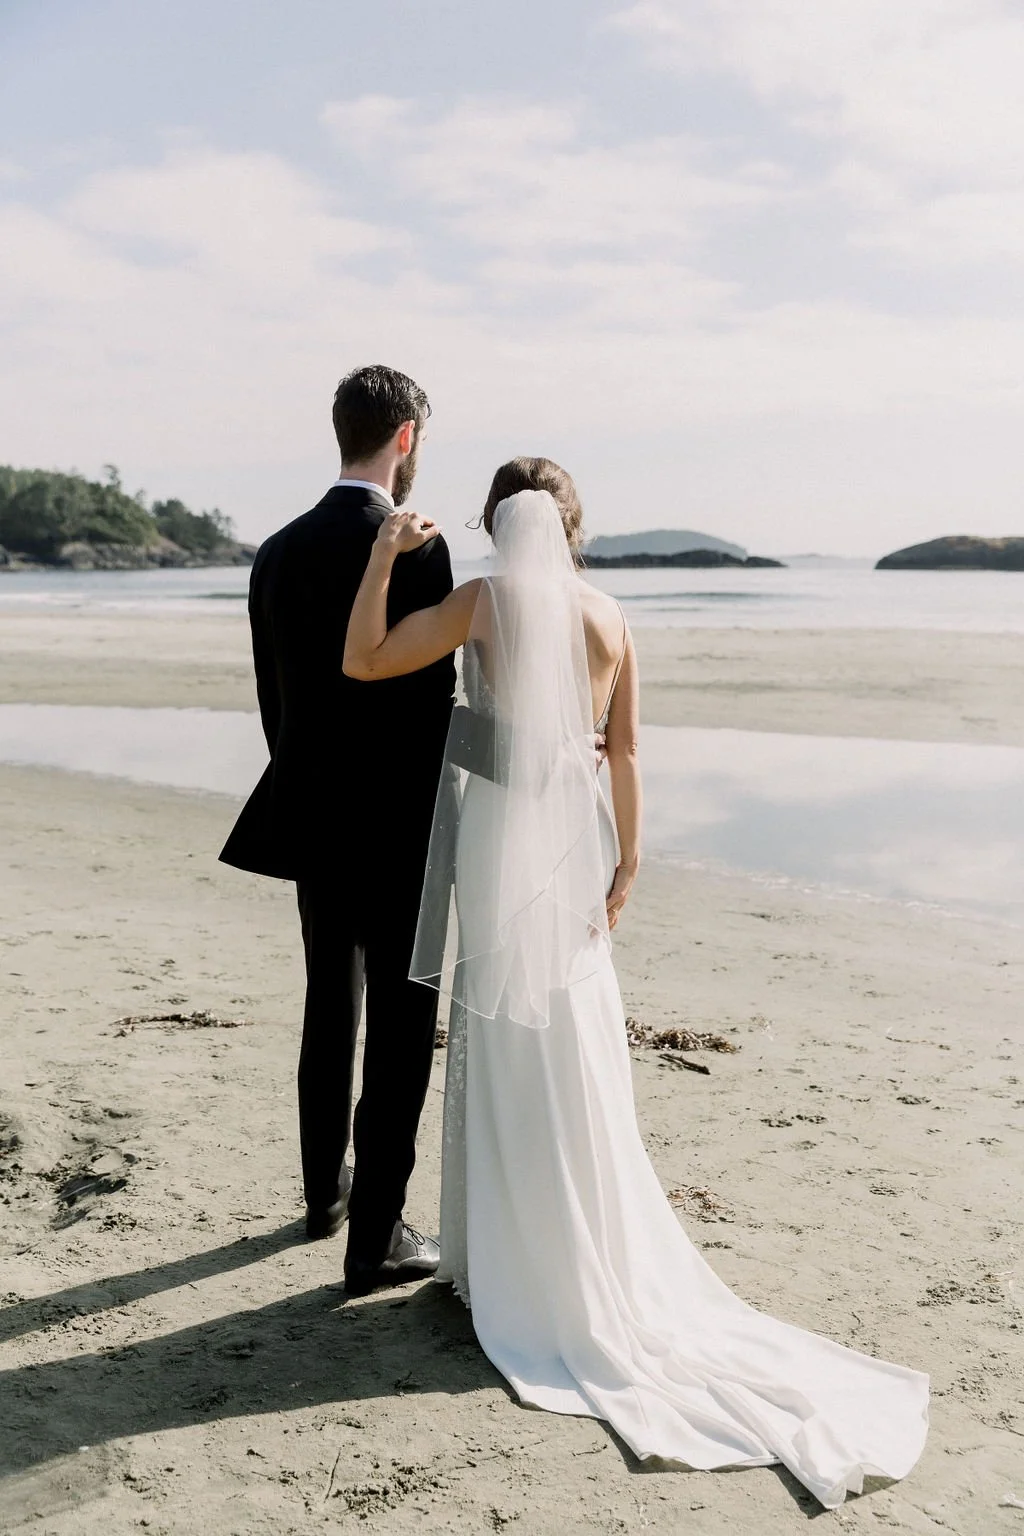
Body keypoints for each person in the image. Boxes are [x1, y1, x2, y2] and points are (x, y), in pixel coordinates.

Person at [342, 459, 930, 1510]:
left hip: (492, 835)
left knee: (499, 1024)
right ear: (573, 527)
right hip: (572, 830)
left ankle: (503, 1252)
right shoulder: (610, 616)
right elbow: (625, 749)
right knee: (567, 1021)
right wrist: (628, 861)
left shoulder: (477, 601)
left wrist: (386, 558)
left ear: (491, 524)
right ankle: (566, 1240)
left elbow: (367, 660)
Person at [219, 364, 455, 1296]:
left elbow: (273, 699)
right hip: (396, 828)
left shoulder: (274, 551)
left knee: (330, 1003)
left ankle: (324, 1196)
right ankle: (376, 1237)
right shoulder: (416, 548)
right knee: (400, 1031)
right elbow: (424, 704)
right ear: (405, 438)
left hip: (311, 815)